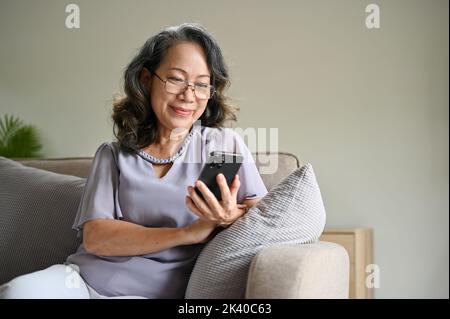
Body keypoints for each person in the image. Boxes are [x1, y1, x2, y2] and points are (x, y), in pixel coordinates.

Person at [0, 23, 267, 299]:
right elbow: (97, 237)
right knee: (18, 292)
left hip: (152, 294)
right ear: (146, 78)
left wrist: (229, 216)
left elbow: (265, 213)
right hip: (81, 283)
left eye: (201, 85)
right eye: (176, 79)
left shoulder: (223, 146)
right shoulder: (113, 153)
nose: (188, 95)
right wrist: (189, 233)